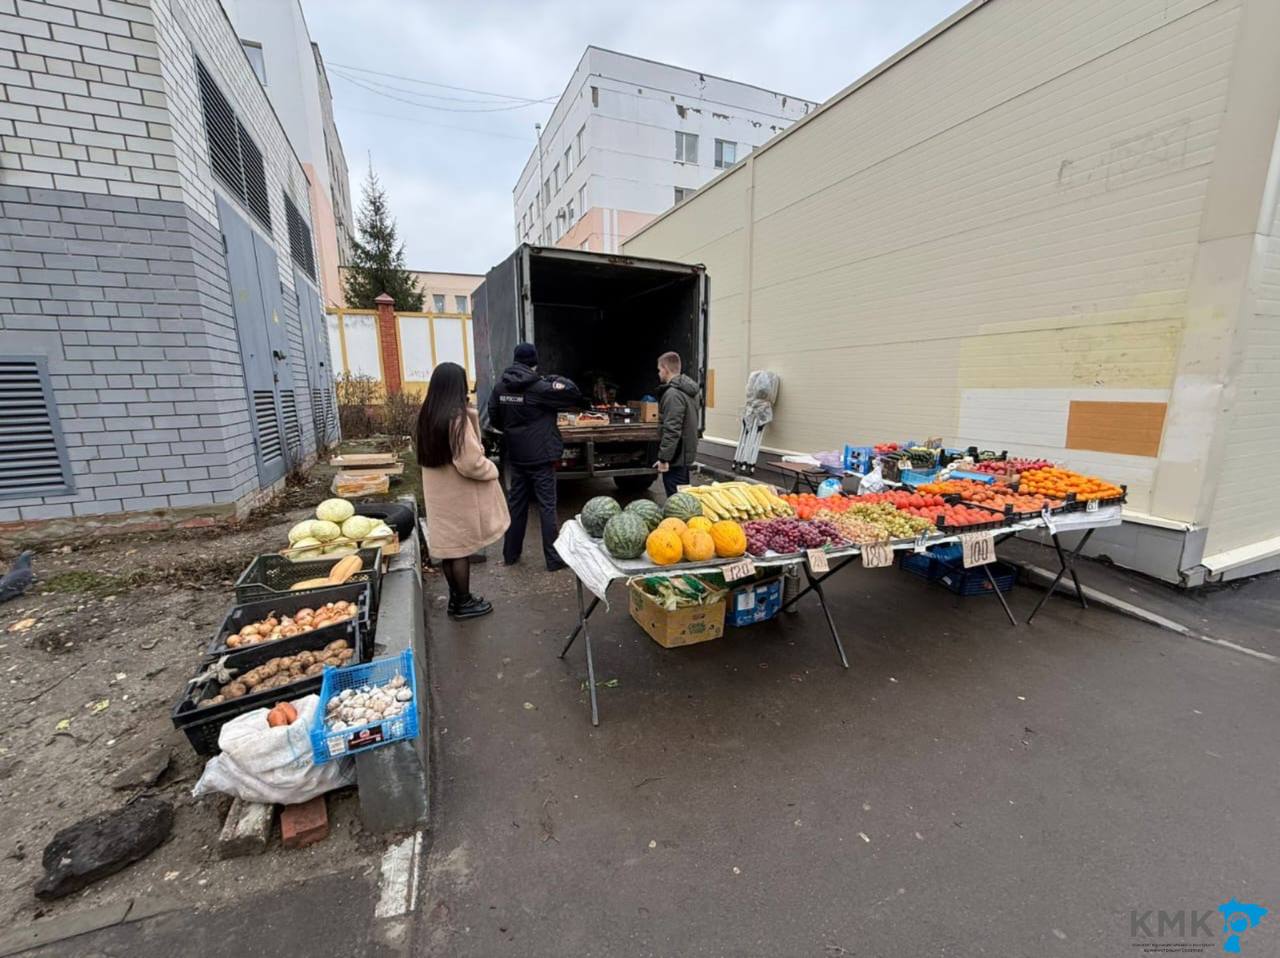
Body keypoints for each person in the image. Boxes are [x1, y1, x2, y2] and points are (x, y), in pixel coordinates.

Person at [417, 361, 509, 620]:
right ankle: (463, 603)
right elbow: (469, 463)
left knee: (449, 550)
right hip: (457, 496)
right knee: (460, 550)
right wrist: (492, 468)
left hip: (439, 496)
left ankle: (457, 600)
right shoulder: (456, 418)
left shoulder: (428, 414)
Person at [486, 343, 589, 570]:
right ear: (534, 362)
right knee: (547, 507)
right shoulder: (541, 388)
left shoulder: (500, 388)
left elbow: (494, 418)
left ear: (515, 361)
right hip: (542, 457)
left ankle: (510, 555)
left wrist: (514, 431)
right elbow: (573, 393)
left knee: (517, 505)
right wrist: (553, 377)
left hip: (516, 455)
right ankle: (553, 560)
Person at [654, 351, 701, 497]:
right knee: (683, 498)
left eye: (659, 370)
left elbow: (672, 430)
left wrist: (664, 459)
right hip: (683, 454)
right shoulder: (688, 391)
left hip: (676, 457)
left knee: (677, 501)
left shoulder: (673, 394)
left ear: (666, 369)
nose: (658, 373)